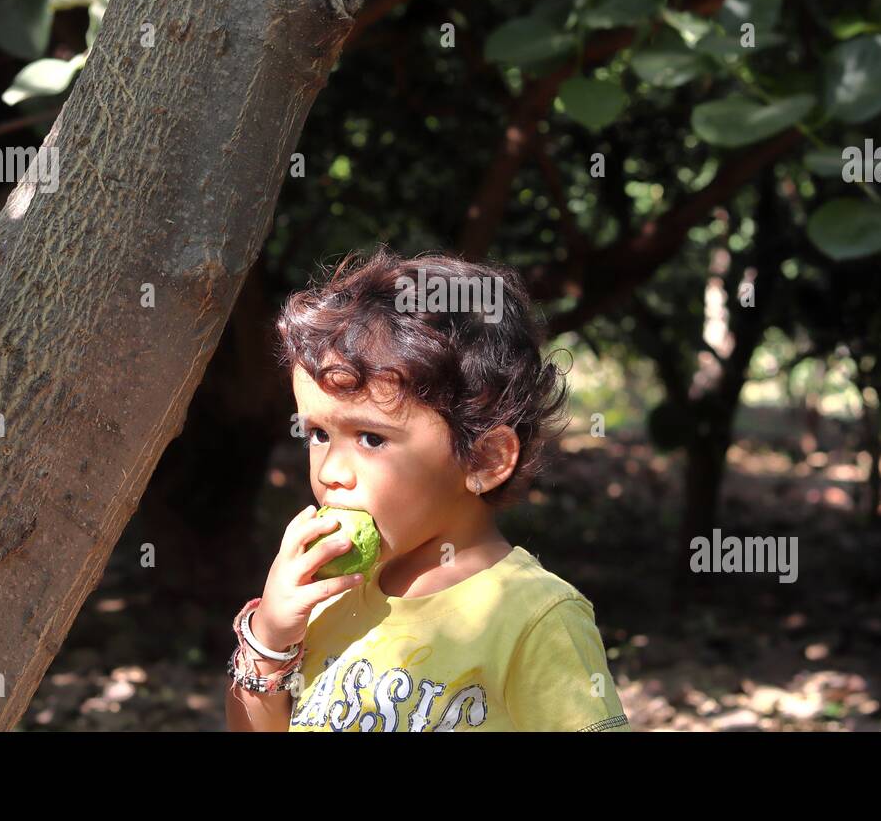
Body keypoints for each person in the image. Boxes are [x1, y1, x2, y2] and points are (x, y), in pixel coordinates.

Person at [225, 246, 630, 732]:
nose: (332, 471)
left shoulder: (535, 619)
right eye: (318, 434)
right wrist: (269, 639)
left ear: (484, 459)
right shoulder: (325, 598)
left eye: (371, 438)